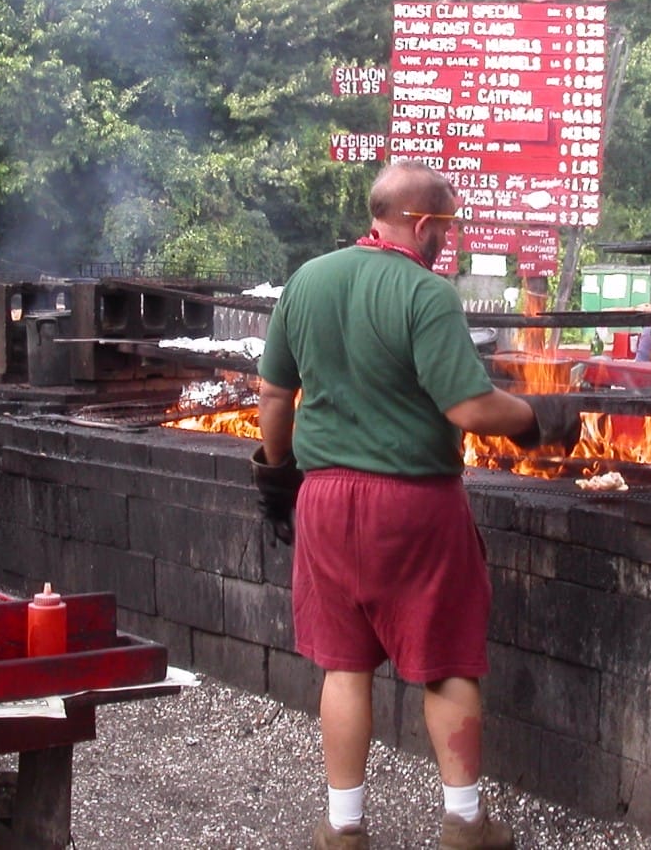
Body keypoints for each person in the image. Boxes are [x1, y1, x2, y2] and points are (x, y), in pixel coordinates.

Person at [256, 160, 581, 850]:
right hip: (414, 505)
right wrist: (536, 418)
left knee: (344, 665)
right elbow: (468, 405)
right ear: (423, 224)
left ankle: (344, 830)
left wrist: (278, 475)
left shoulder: (307, 279)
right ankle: (465, 823)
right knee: (447, 663)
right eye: (447, 227)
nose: (447, 241)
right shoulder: (426, 293)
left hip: (324, 500)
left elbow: (273, 394)